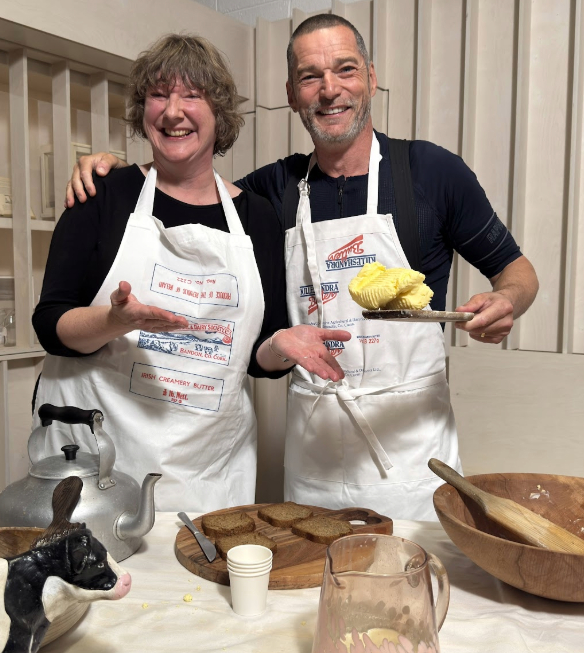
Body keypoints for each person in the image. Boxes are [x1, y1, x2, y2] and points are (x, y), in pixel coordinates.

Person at [64, 16, 540, 520]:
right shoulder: (271, 190)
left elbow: (518, 273)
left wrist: (506, 300)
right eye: (311, 77)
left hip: (413, 463)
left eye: (345, 70)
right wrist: (116, 171)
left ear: (371, 79)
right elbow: (186, 187)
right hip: (312, 464)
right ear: (291, 93)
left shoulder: (432, 173)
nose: (329, 90)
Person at [33, 33, 350, 513]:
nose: (173, 111)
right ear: (143, 110)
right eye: (159, 94)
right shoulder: (104, 195)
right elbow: (51, 326)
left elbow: (254, 356)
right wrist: (115, 322)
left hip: (208, 470)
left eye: (192, 95)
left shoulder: (258, 217)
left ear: (219, 114)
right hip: (101, 464)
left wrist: (279, 347)